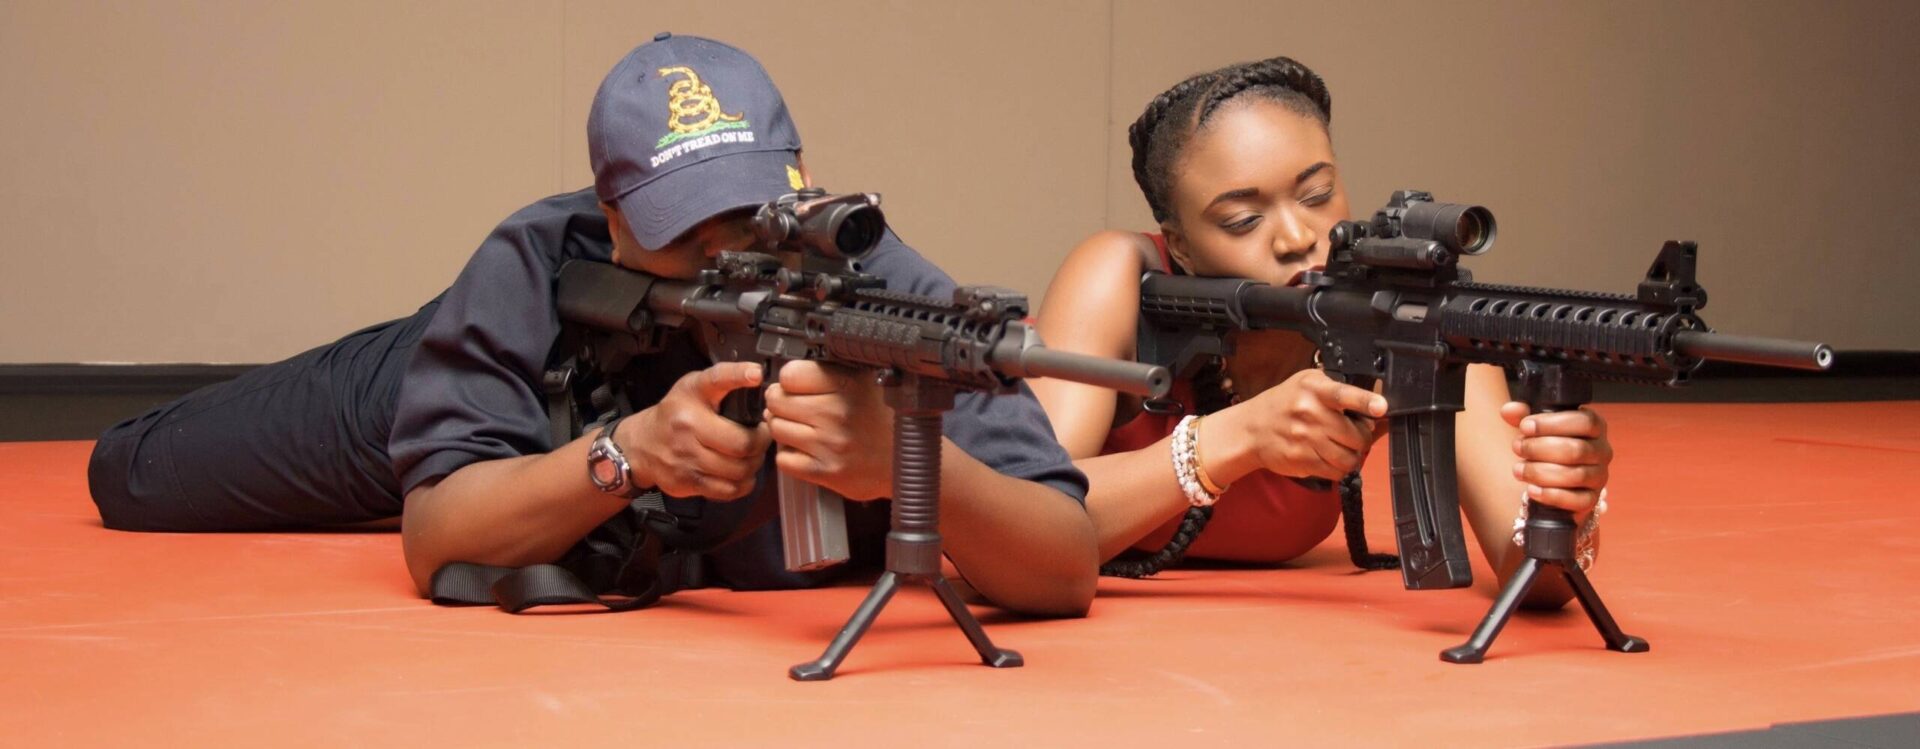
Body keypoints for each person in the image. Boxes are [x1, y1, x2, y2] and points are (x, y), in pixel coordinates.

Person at [87, 34, 1097, 617]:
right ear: (608, 215)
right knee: (133, 474)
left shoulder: (880, 285)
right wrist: (626, 452)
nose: (723, 254)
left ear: (800, 182)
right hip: (489, 370)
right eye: (679, 229)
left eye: (747, 218)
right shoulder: (540, 258)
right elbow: (435, 535)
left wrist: (904, 461)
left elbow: (1065, 562)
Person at [1029, 56, 1613, 607]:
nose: (1295, 236)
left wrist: (1563, 504)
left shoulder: (1410, 318)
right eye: (1243, 220)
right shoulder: (1119, 276)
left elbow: (1535, 584)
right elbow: (1032, 519)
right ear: (1180, 243)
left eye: (1317, 195)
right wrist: (1237, 437)